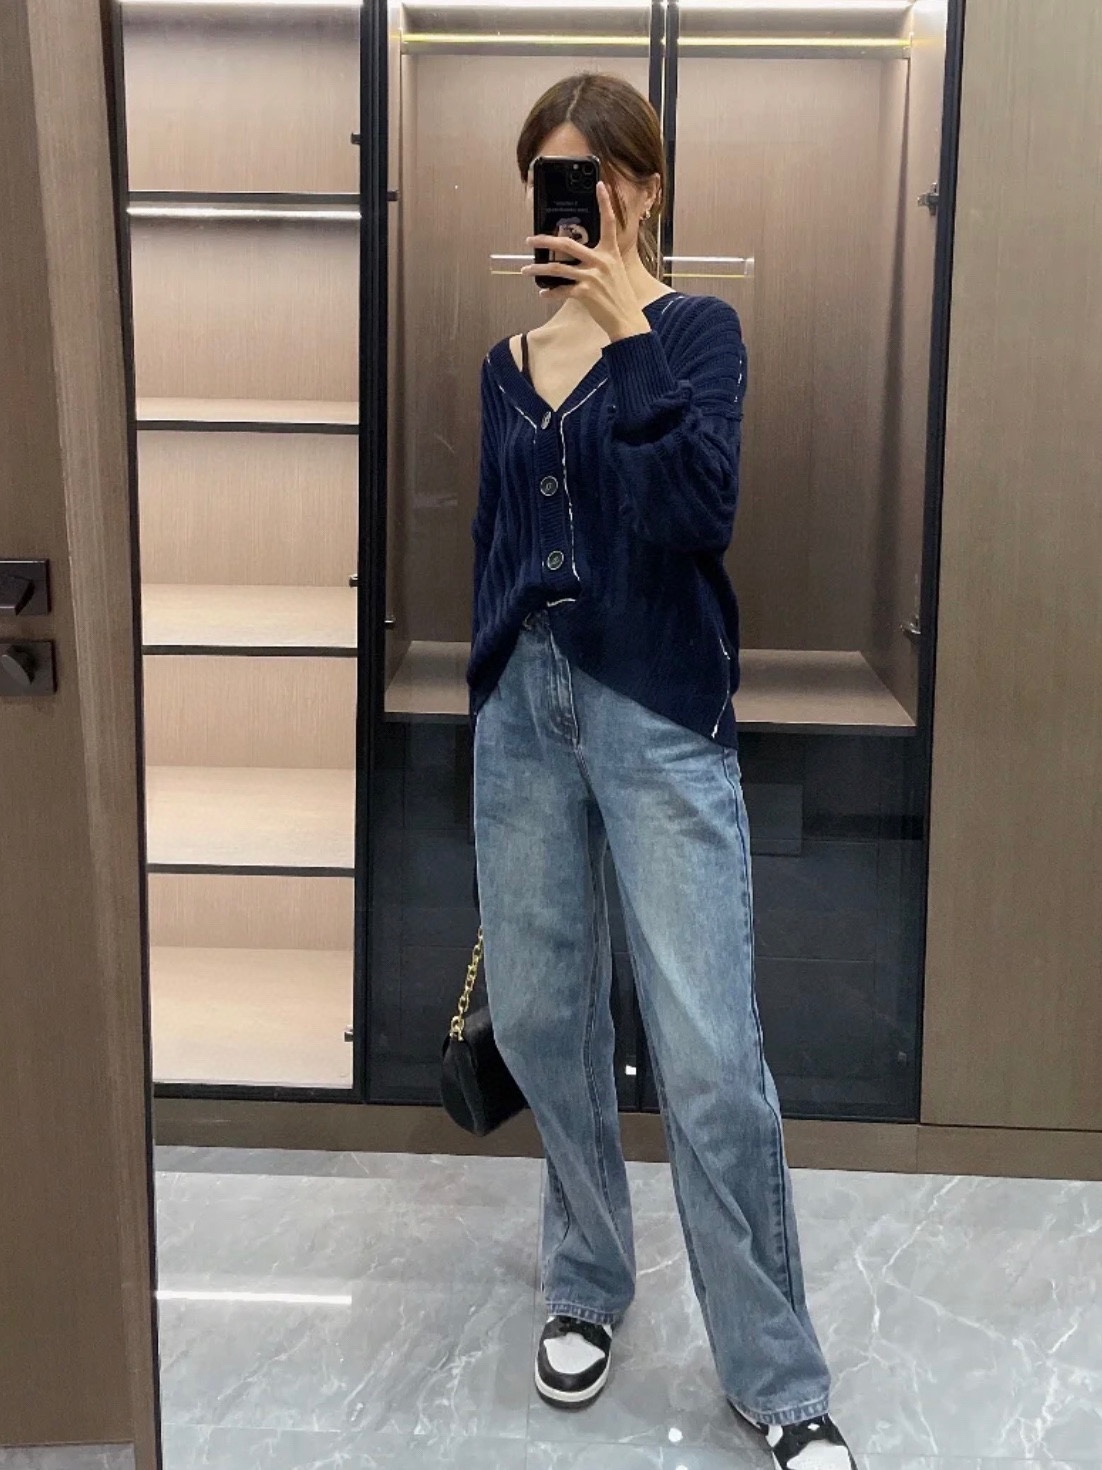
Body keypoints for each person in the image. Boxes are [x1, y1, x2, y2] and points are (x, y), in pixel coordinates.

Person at [466, 72, 857, 1470]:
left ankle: (775, 1372)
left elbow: (698, 508)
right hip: (523, 715)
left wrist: (626, 323)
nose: (576, 201)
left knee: (708, 1056)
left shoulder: (696, 334)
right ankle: (586, 1277)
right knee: (540, 1017)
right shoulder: (505, 363)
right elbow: (496, 539)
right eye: (551, 179)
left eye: (598, 176)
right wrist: (486, 682)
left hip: (659, 716)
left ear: (645, 187)